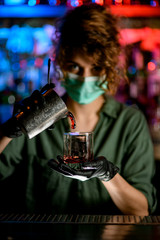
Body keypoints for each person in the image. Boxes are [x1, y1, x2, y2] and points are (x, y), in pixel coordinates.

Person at [0, 3, 157, 215]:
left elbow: (140, 209)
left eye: (95, 68)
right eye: (75, 66)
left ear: (109, 67)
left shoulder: (129, 123)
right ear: (61, 65)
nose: (85, 78)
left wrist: (108, 176)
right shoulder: (34, 118)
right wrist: (8, 131)